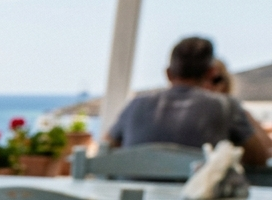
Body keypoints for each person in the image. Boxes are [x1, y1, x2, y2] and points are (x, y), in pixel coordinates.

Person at [106, 37, 270, 167]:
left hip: (134, 198)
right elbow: (259, 158)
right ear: (211, 73)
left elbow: (105, 150)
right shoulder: (224, 106)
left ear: (168, 74)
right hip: (197, 199)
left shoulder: (135, 105)